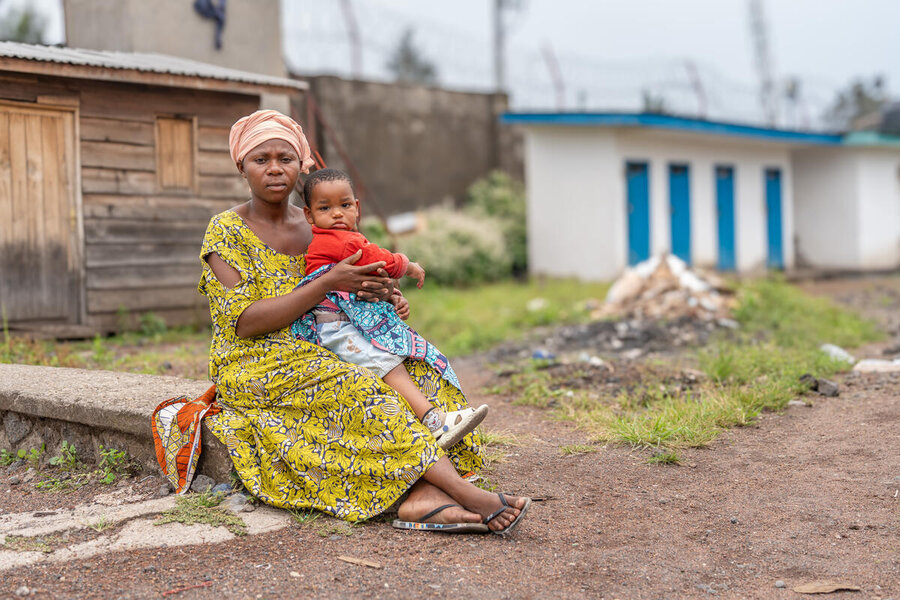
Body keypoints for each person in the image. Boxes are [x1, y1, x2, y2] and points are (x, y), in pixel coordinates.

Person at [198, 109, 530, 534]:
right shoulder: (225, 231)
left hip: (332, 339)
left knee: (425, 375)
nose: (275, 168)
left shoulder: (320, 218)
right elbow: (243, 323)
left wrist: (382, 291)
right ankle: (466, 495)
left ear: (302, 164)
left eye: (285, 158)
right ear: (241, 165)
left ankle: (419, 498)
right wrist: (327, 283)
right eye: (261, 159)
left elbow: (357, 281)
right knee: (361, 389)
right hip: (259, 359)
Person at [297, 167, 489, 450]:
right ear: (309, 215)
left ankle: (430, 421)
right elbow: (379, 259)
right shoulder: (343, 241)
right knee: (388, 364)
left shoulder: (331, 240)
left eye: (345, 205)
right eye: (325, 208)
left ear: (357, 208)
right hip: (337, 327)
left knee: (392, 362)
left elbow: (368, 282)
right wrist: (408, 265)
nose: (337, 214)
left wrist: (390, 297)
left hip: (340, 323)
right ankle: (433, 421)